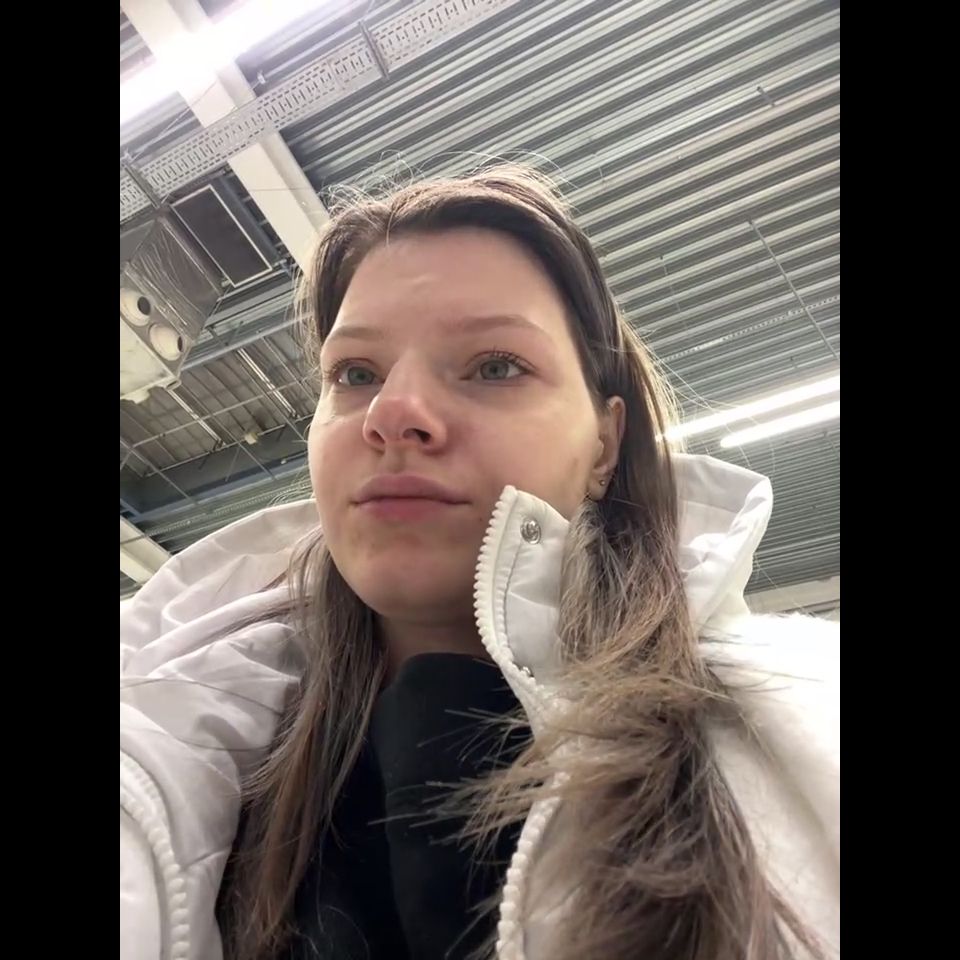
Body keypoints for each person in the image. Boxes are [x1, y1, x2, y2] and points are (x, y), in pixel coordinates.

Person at [120, 166, 839, 960]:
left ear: (603, 444)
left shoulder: (809, 719)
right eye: (355, 374)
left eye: (495, 365)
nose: (392, 413)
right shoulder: (162, 744)